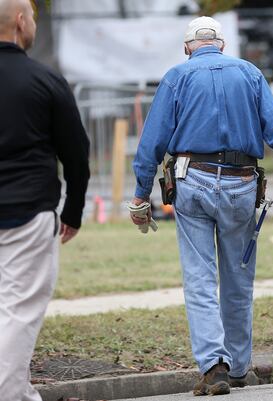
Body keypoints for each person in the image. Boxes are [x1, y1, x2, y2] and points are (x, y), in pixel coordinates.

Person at [130, 16, 273, 396]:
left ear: (188, 48)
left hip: (192, 179)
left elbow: (151, 142)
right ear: (221, 44)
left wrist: (140, 195)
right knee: (238, 278)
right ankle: (237, 366)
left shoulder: (176, 77)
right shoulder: (249, 74)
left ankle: (213, 366)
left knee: (200, 278)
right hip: (242, 183)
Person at [0, 0, 90, 399]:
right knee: (19, 311)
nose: (34, 22)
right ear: (20, 22)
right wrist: (72, 211)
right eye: (33, 16)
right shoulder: (45, 80)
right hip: (27, 212)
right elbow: (77, 155)